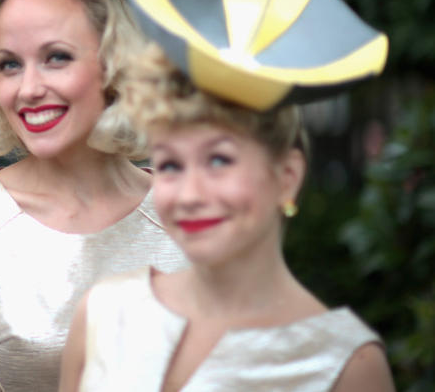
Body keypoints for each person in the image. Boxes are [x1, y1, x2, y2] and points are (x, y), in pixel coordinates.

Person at [0, 0, 187, 392]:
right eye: (9, 65)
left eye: (56, 57)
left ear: (113, 65)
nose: (29, 89)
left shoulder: (189, 211)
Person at [57, 44, 395, 392]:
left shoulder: (347, 365)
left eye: (219, 160)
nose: (190, 195)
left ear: (287, 177)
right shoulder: (102, 314)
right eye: (171, 165)